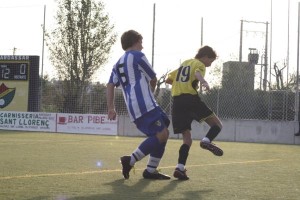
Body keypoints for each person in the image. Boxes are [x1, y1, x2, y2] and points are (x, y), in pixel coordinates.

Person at [106, 30, 171, 180]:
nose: (142, 46)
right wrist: (151, 93)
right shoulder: (137, 56)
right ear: (135, 41)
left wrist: (111, 108)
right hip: (145, 104)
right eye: (141, 42)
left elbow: (110, 85)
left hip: (134, 107)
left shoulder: (117, 64)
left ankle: (150, 170)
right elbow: (153, 78)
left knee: (163, 132)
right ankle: (130, 160)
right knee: (161, 134)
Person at [165, 46, 223, 180]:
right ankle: (206, 141)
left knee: (187, 138)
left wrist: (179, 84)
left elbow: (169, 79)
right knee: (217, 125)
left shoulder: (185, 63)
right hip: (190, 99)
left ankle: (180, 168)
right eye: (211, 61)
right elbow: (197, 73)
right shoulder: (200, 64)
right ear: (206, 57)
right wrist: (203, 81)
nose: (209, 65)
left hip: (177, 102)